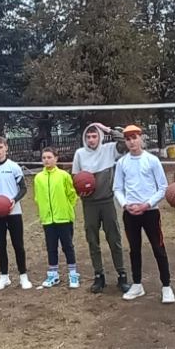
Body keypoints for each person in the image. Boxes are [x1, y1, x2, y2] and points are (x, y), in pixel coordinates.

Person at [113, 125, 174, 304]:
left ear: (141, 139)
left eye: (134, 138)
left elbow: (163, 187)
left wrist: (147, 204)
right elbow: (117, 188)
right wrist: (126, 205)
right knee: (134, 249)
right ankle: (137, 284)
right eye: (128, 139)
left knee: (158, 248)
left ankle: (166, 286)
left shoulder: (152, 160)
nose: (132, 142)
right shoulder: (122, 163)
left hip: (150, 212)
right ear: (125, 142)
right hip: (130, 213)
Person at [73, 123, 127, 294]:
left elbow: (125, 142)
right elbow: (75, 178)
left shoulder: (110, 149)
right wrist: (80, 189)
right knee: (92, 240)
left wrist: (108, 129)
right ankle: (99, 276)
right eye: (88, 137)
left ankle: (122, 275)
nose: (91, 140)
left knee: (114, 238)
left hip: (107, 202)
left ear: (100, 137)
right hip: (89, 204)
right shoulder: (80, 154)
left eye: (94, 136)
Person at [0, 137, 31, 291]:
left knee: (18, 244)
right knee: (0, 245)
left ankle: (23, 276)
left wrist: (13, 200)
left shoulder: (14, 167)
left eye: (0, 147)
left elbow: (23, 188)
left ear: (6, 148)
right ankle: (4, 276)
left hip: (14, 212)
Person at [32, 148, 80, 289]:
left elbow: (72, 194)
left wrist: (66, 208)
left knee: (68, 247)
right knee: (51, 247)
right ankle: (53, 275)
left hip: (64, 218)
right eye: (44, 157)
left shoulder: (64, 175)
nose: (46, 160)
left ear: (56, 159)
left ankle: (73, 274)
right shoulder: (38, 178)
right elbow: (37, 197)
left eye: (49, 157)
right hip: (48, 220)